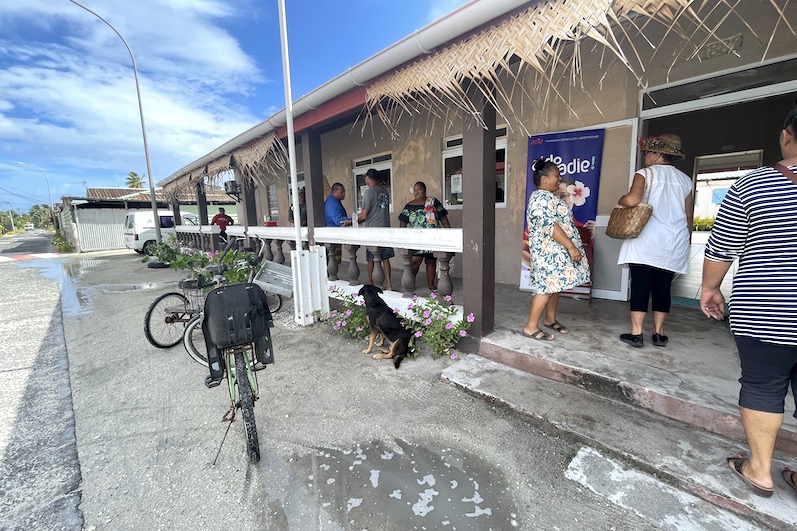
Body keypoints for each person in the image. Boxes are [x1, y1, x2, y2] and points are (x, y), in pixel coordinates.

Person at [701, 107, 797, 499]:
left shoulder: (755, 184)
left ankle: (759, 470)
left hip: (768, 308)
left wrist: (710, 289)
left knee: (762, 384)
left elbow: (721, 247)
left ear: (787, 135)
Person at [616, 134, 693, 348]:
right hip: (673, 241)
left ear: (657, 154)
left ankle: (636, 333)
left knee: (641, 285)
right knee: (663, 287)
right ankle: (659, 334)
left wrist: (621, 199)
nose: (646, 157)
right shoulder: (685, 180)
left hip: (646, 240)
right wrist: (684, 240)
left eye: (648, 153)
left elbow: (632, 200)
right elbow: (688, 216)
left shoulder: (645, 174)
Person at [522, 158, 590, 341]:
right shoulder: (540, 199)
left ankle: (549, 319)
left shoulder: (549, 197)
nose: (559, 179)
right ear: (544, 178)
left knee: (555, 286)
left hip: (555, 252)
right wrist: (571, 247)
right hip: (548, 253)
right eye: (556, 175)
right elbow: (550, 226)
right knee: (546, 288)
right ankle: (530, 327)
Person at [398, 181, 451, 291]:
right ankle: (410, 283)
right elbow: (402, 223)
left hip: (432, 239)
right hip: (416, 240)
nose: (417, 192)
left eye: (419, 190)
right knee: (415, 261)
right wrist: (402, 238)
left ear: (425, 190)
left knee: (431, 262)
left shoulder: (433, 202)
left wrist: (449, 234)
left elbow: (443, 219)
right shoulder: (409, 206)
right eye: (415, 190)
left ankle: (431, 285)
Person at [357, 168, 393, 291]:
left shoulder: (368, 193)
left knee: (371, 258)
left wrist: (354, 220)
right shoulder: (385, 191)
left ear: (369, 178)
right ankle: (389, 284)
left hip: (373, 230)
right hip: (385, 229)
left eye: (366, 178)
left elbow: (364, 214)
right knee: (385, 258)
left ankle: (371, 283)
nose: (365, 180)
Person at [325, 182, 352, 265]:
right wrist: (354, 219)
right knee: (332, 262)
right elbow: (339, 220)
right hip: (332, 236)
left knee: (333, 262)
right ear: (334, 192)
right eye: (341, 192)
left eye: (344, 192)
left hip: (333, 235)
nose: (343, 194)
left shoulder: (333, 200)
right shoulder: (332, 203)